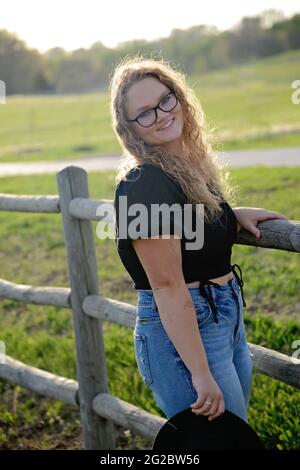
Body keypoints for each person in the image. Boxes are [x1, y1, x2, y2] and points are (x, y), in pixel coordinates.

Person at [110, 55, 288, 423]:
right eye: (145, 113)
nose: (160, 114)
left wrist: (229, 217)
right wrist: (200, 373)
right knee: (221, 439)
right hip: (186, 336)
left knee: (234, 433)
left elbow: (188, 232)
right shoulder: (143, 184)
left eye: (165, 100)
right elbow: (167, 286)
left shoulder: (187, 170)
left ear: (180, 97)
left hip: (224, 317)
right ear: (131, 130)